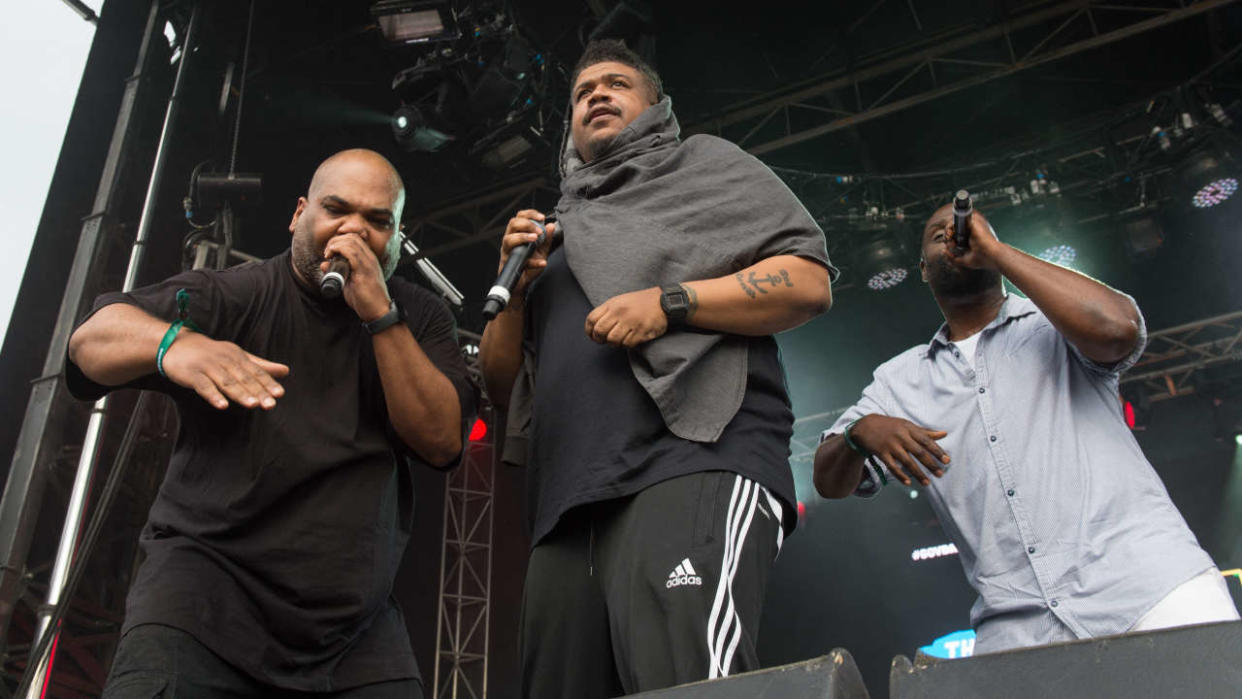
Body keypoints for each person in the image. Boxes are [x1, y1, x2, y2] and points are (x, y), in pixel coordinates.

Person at [478, 40, 836, 697]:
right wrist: (517, 295)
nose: (596, 96)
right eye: (582, 93)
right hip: (567, 504)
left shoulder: (701, 166)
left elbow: (809, 282)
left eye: (616, 84)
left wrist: (672, 304)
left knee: (690, 684)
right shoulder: (554, 236)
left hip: (693, 459)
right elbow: (501, 389)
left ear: (656, 109)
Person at [66, 148, 476, 698]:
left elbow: (442, 439)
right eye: (337, 209)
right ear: (299, 215)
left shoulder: (420, 317)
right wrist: (174, 344)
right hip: (203, 608)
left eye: (379, 221)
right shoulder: (238, 293)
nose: (355, 230)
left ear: (399, 238)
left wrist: (380, 314)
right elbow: (89, 343)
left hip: (354, 633)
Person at [814, 203, 1240, 653]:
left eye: (961, 229)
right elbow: (829, 480)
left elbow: (1118, 330)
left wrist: (996, 252)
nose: (950, 235)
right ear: (922, 269)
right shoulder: (901, 380)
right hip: (1017, 633)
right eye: (936, 235)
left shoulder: (1056, 325)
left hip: (1149, 590)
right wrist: (859, 432)